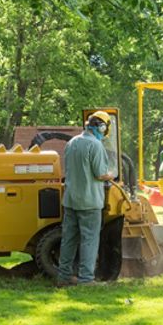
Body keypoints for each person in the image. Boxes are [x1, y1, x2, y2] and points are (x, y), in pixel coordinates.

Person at [57, 111, 114, 287]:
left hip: (70, 200)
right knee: (89, 239)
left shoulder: (71, 143)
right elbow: (100, 173)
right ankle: (86, 279)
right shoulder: (95, 145)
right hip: (89, 202)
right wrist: (111, 175)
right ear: (102, 127)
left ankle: (63, 277)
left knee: (69, 239)